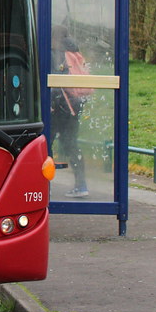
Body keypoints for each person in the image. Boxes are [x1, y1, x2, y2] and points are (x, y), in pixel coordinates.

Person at [51, 26, 88, 198]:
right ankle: (81, 185)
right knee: (71, 143)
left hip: (60, 105)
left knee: (44, 143)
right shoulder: (74, 50)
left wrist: (50, 103)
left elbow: (55, 79)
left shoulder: (57, 52)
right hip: (76, 102)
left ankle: (43, 186)